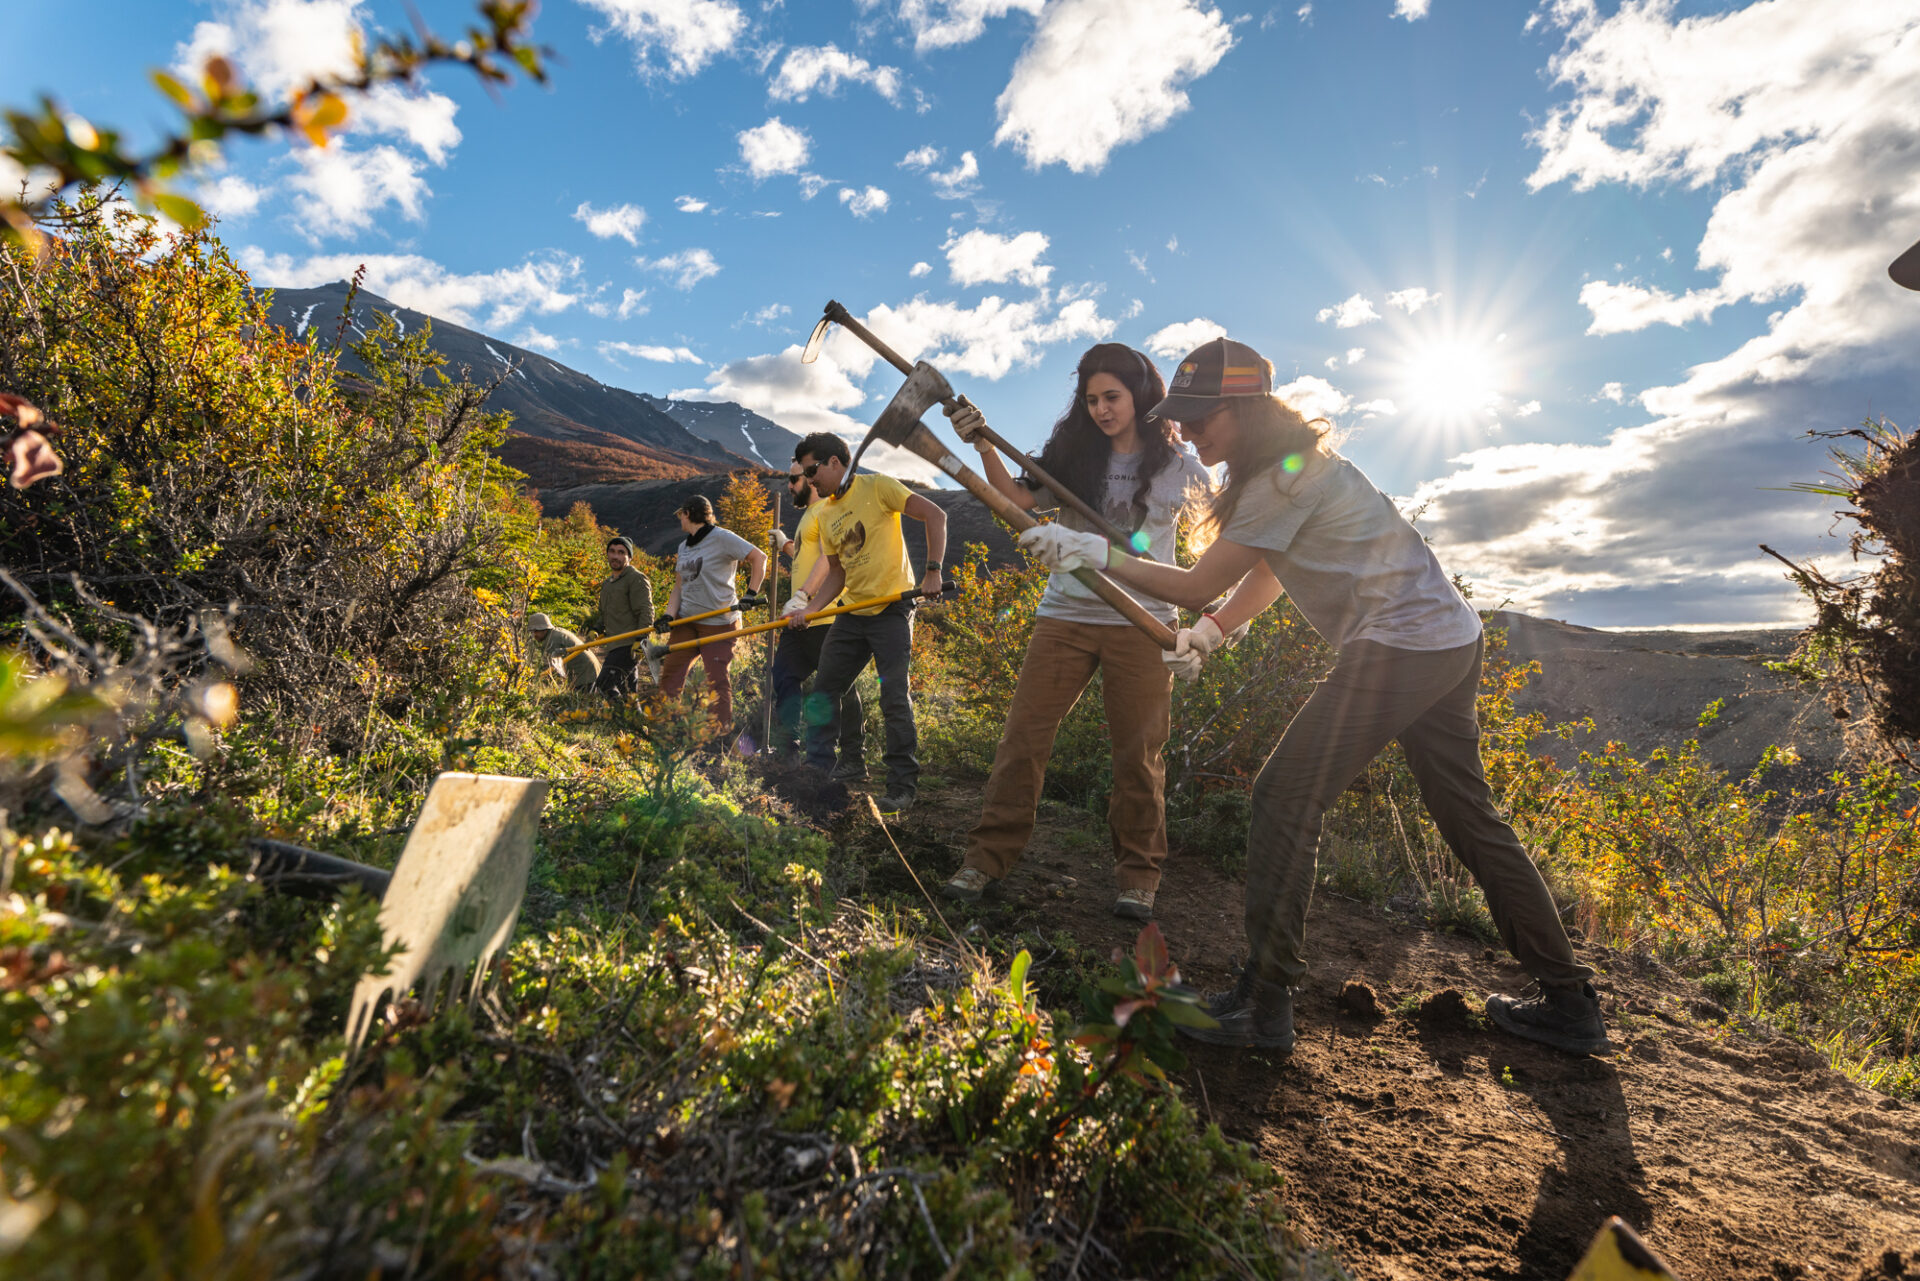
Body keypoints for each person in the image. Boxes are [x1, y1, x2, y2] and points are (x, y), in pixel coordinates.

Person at [1018, 336, 1609, 1058]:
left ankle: (1265, 1004)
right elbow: (1267, 567)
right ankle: (1570, 1002)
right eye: (1186, 414)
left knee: (1284, 795)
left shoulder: (1279, 481)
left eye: (1203, 414)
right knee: (1469, 815)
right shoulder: (1293, 468)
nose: (1190, 429)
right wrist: (1213, 632)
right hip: (1449, 637)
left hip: (1401, 646)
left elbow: (1200, 579)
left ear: (1244, 408)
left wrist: (1095, 553)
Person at [935, 343, 1211, 921]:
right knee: (1023, 739)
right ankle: (984, 860)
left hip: (1145, 622)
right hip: (1065, 616)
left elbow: (1223, 545)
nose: (1102, 409)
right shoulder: (1071, 454)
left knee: (1138, 754)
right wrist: (983, 444)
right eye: (1091, 400)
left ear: (1140, 394)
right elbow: (1013, 499)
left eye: (1111, 397)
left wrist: (1213, 623)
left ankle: (1138, 876)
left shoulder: (1182, 467)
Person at [784, 431, 946, 816]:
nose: (809, 480)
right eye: (805, 474)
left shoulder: (879, 487)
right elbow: (837, 574)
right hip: (852, 612)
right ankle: (819, 771)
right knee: (825, 690)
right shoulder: (825, 515)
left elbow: (935, 515)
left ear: (835, 462)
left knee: (893, 698)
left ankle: (902, 785)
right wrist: (811, 610)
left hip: (892, 609)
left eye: (812, 470)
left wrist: (933, 571)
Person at [769, 460, 865, 770]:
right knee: (784, 675)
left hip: (823, 617)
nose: (789, 485)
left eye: (793, 479)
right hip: (798, 619)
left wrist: (803, 596)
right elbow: (806, 556)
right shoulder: (808, 516)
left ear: (811, 479)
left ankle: (853, 757)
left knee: (841, 689)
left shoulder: (826, 509)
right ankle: (787, 751)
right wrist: (785, 543)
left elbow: (828, 559)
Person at [657, 495, 767, 731]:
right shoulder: (683, 546)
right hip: (687, 621)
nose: (680, 520)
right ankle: (665, 728)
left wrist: (750, 593)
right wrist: (669, 615)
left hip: (719, 622)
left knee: (715, 680)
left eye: (681, 515)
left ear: (688, 513)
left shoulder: (722, 538)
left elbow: (759, 557)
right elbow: (679, 586)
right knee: (671, 674)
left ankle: (718, 735)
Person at [592, 536, 654, 701]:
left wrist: (641, 640)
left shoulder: (636, 579)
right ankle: (635, 723)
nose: (615, 556)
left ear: (629, 557)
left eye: (621, 552)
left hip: (628, 645)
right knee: (628, 693)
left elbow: (646, 610)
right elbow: (604, 613)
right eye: (612, 551)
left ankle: (620, 719)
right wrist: (596, 629)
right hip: (614, 644)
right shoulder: (607, 584)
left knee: (604, 684)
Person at [528, 613, 600, 691]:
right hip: (590, 670)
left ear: (544, 629)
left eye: (536, 631)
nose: (534, 635)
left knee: (586, 700)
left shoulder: (552, 641)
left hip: (585, 674)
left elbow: (551, 669)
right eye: (532, 631)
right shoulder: (556, 632)